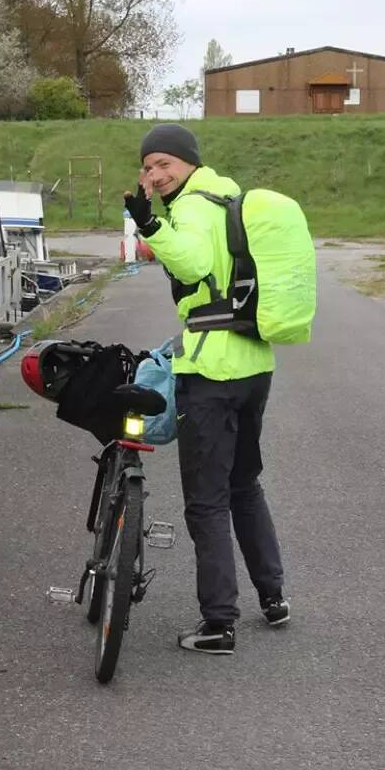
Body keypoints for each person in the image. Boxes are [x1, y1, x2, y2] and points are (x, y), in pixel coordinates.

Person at [124, 123, 289, 655]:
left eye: (164, 164)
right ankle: (274, 597)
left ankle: (219, 624)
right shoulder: (228, 196)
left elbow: (192, 264)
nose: (155, 175)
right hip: (253, 363)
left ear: (189, 163)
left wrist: (149, 223)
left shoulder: (194, 206)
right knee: (245, 485)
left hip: (212, 372)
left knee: (207, 501)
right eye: (148, 167)